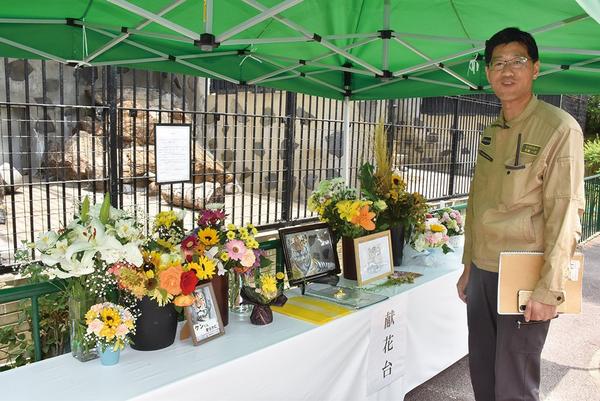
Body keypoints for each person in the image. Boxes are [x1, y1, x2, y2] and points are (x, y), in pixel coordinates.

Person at [457, 27, 585, 401]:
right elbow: (477, 203)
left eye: (517, 61)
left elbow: (565, 212)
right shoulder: (491, 130)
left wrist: (549, 289)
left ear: (535, 68)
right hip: (483, 270)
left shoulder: (559, 128)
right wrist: (468, 266)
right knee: (482, 373)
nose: (507, 70)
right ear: (488, 72)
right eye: (498, 63)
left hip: (524, 271)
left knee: (514, 383)